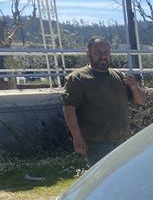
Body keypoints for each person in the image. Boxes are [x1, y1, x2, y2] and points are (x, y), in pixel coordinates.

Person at [62, 37, 145, 166]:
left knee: (125, 180)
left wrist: (134, 86)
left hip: (123, 141)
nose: (103, 56)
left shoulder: (119, 76)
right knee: (105, 182)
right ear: (88, 54)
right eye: (98, 52)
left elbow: (140, 101)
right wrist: (77, 138)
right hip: (97, 145)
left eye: (106, 52)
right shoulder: (78, 78)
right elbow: (69, 109)